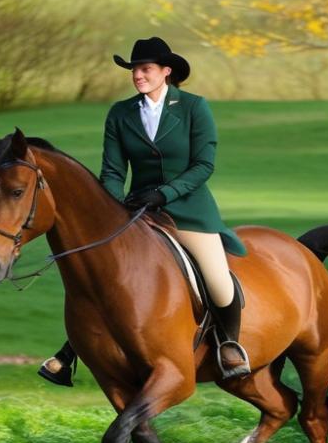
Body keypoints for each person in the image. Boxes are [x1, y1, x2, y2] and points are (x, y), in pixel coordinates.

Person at [39, 36, 250, 386]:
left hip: (189, 211)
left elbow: (203, 165)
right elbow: (112, 171)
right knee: (102, 277)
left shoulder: (194, 107)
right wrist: (107, 210)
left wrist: (164, 194)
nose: (138, 75)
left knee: (218, 281)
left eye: (145, 69)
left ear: (166, 72)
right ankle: (71, 350)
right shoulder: (121, 113)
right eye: (134, 69)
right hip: (137, 210)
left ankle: (228, 345)